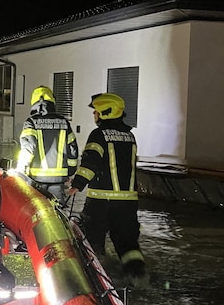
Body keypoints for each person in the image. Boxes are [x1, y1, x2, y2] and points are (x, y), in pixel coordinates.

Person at [67, 93, 149, 288]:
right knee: (127, 242)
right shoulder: (130, 136)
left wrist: (77, 184)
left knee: (92, 240)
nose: (94, 114)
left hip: (101, 201)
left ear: (105, 112)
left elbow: (90, 163)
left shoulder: (99, 135)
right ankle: (139, 277)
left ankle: (97, 280)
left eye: (96, 111)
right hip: (128, 202)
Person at [16, 85, 79, 204]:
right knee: (57, 213)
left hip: (36, 179)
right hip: (58, 180)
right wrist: (71, 171)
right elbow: (73, 149)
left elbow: (28, 149)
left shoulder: (32, 122)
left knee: (39, 212)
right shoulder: (64, 122)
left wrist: (20, 171)